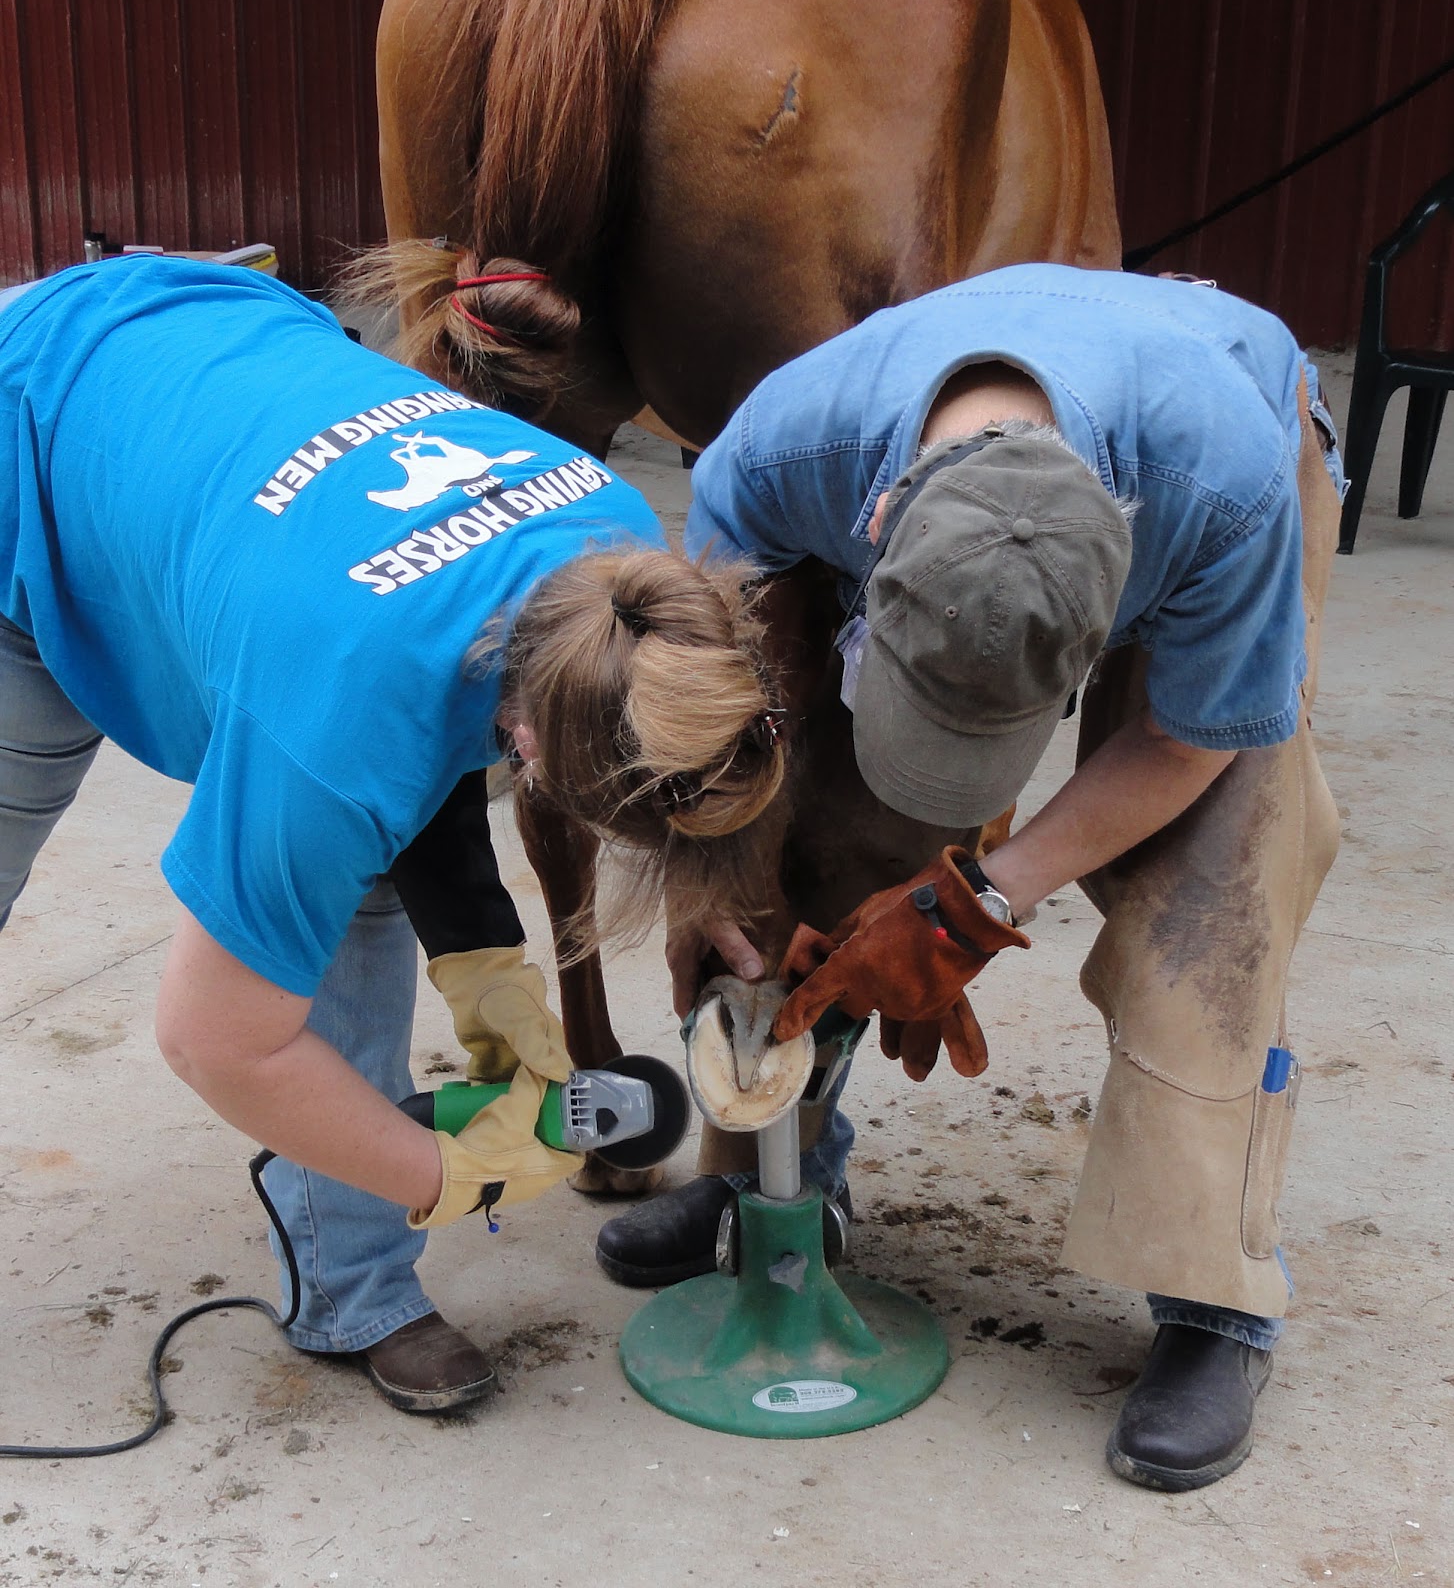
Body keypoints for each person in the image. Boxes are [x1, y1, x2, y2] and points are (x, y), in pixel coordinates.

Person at [596, 263, 1345, 1490]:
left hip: (1228, 428)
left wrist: (982, 895)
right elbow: (731, 691)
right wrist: (714, 872)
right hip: (993, 432)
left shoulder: (1222, 490)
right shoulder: (782, 452)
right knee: (806, 840)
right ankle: (772, 1184)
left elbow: (1186, 737)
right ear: (879, 525)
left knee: (1211, 913)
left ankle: (1215, 1302)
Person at [0, 254, 783, 1414]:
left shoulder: (622, 556)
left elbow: (443, 724)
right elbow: (218, 1040)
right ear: (529, 751)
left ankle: (350, 1291)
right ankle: (366, 1257)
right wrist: (442, 1169)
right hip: (32, 428)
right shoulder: (332, 723)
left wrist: (653, 899)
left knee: (357, 845)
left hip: (213, 331)